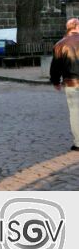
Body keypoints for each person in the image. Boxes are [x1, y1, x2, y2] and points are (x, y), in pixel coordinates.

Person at [50, 16, 79, 151]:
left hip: (71, 82)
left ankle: (78, 142)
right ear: (77, 26)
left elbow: (55, 66)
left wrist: (55, 81)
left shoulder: (60, 44)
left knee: (75, 112)